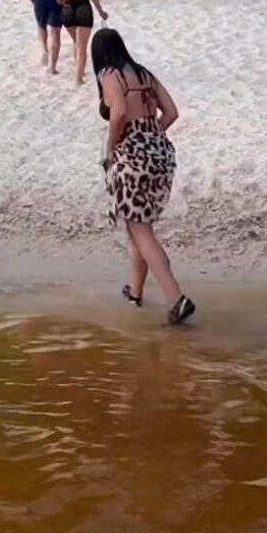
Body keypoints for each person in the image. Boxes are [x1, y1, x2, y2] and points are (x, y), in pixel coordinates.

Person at [91, 28, 195, 324]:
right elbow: (172, 112)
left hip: (132, 160)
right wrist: (150, 136)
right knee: (140, 226)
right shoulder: (144, 73)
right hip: (161, 156)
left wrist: (114, 148)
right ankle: (135, 293)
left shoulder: (109, 74)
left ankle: (176, 298)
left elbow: (119, 112)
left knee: (140, 231)